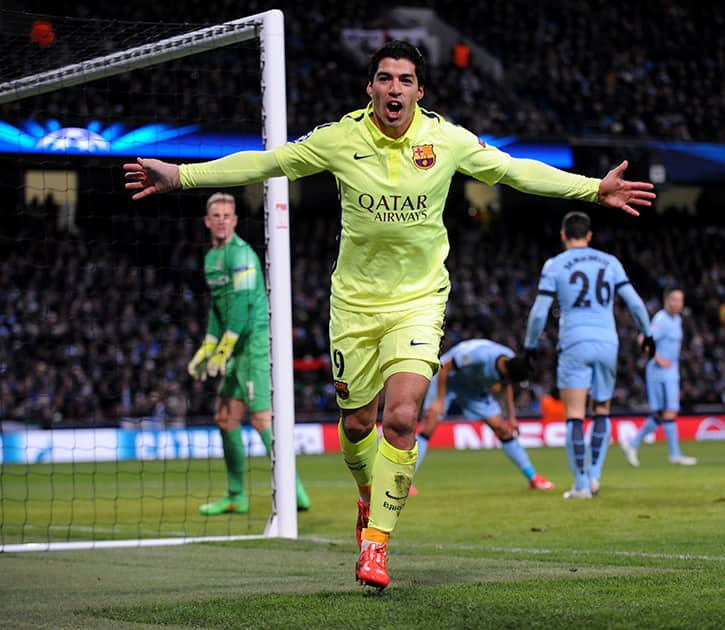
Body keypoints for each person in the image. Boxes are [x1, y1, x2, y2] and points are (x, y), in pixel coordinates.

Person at [124, 41, 655, 589]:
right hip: (353, 306)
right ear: (371, 88)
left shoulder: (445, 139)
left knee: (401, 419)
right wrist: (182, 177)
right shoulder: (339, 138)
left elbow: (514, 170)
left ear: (419, 91)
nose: (394, 88)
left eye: (405, 80)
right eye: (385, 78)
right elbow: (267, 161)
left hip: (420, 303)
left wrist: (593, 188)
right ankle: (365, 496)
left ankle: (376, 544)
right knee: (357, 424)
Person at [187, 192, 311, 515]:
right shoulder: (211, 259)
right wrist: (206, 348)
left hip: (254, 345)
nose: (222, 221)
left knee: (260, 418)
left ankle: (292, 487)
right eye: (217, 216)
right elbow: (218, 309)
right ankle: (235, 495)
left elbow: (241, 309)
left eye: (228, 215)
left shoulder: (240, 255)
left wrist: (221, 352)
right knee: (226, 418)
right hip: (234, 346)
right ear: (207, 221)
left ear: (236, 221)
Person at [524, 211, 655, 500]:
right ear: (590, 235)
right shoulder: (610, 262)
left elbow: (539, 312)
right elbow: (634, 303)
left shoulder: (555, 264)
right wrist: (647, 333)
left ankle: (581, 484)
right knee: (602, 410)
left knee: (574, 415)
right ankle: (595, 475)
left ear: (563, 235)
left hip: (575, 341)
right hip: (608, 342)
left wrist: (530, 346)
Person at [412, 338, 555, 495]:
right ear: (506, 372)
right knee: (428, 427)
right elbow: (446, 368)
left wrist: (512, 417)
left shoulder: (511, 361)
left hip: (472, 388)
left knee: (502, 429)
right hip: (447, 380)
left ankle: (533, 478)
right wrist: (439, 401)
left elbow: (506, 385)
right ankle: (407, 481)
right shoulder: (479, 356)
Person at [621, 287, 697, 467]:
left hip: (672, 371)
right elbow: (643, 340)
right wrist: (658, 358)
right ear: (667, 301)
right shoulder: (661, 320)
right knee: (665, 412)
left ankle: (634, 445)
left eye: (681, 300)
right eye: (675, 300)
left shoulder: (677, 320)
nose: (678, 304)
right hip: (658, 372)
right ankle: (673, 454)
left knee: (664, 414)